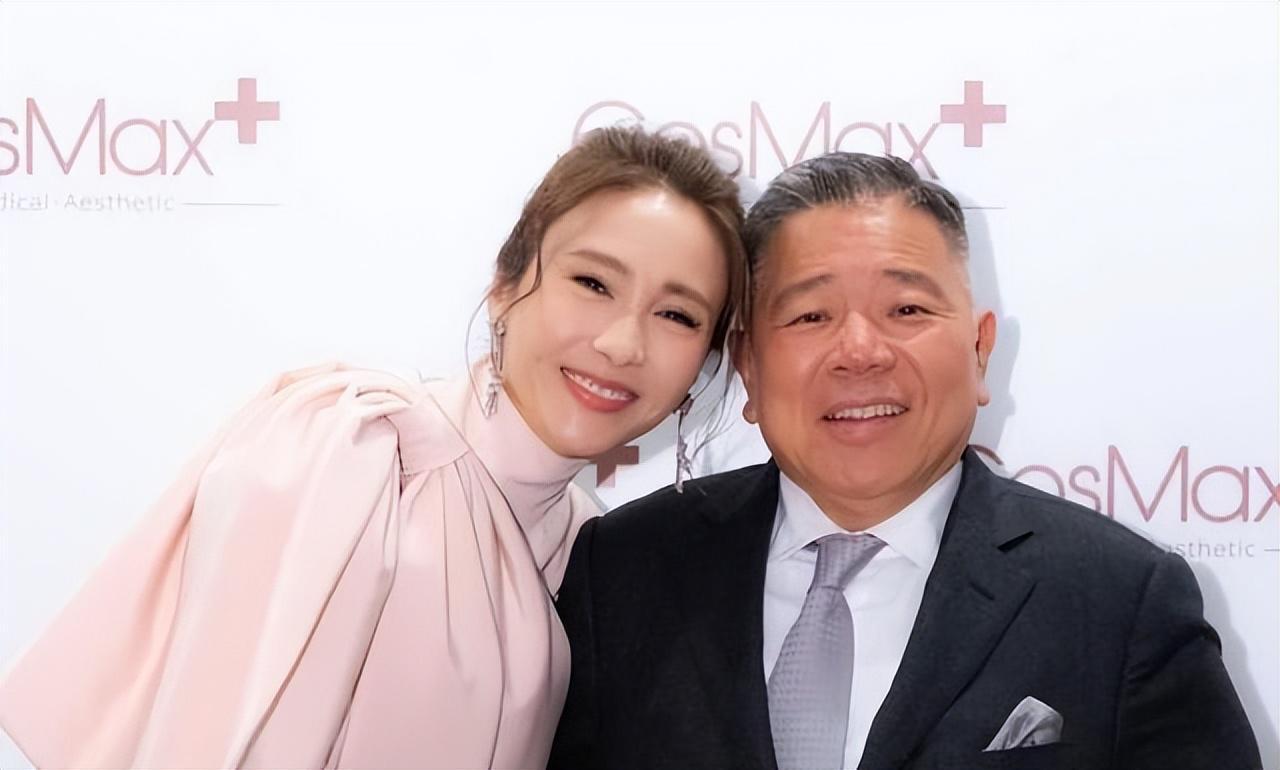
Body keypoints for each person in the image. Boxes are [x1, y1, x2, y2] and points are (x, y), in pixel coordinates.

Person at [0, 126, 748, 770]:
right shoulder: (355, 446)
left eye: (677, 315)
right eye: (592, 282)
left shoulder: (593, 551)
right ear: (504, 284)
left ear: (706, 363)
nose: (622, 342)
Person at [548, 153, 1261, 770]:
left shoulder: (1121, 600)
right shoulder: (624, 570)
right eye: (811, 316)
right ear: (749, 369)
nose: (860, 351)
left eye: (908, 310)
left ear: (980, 351)